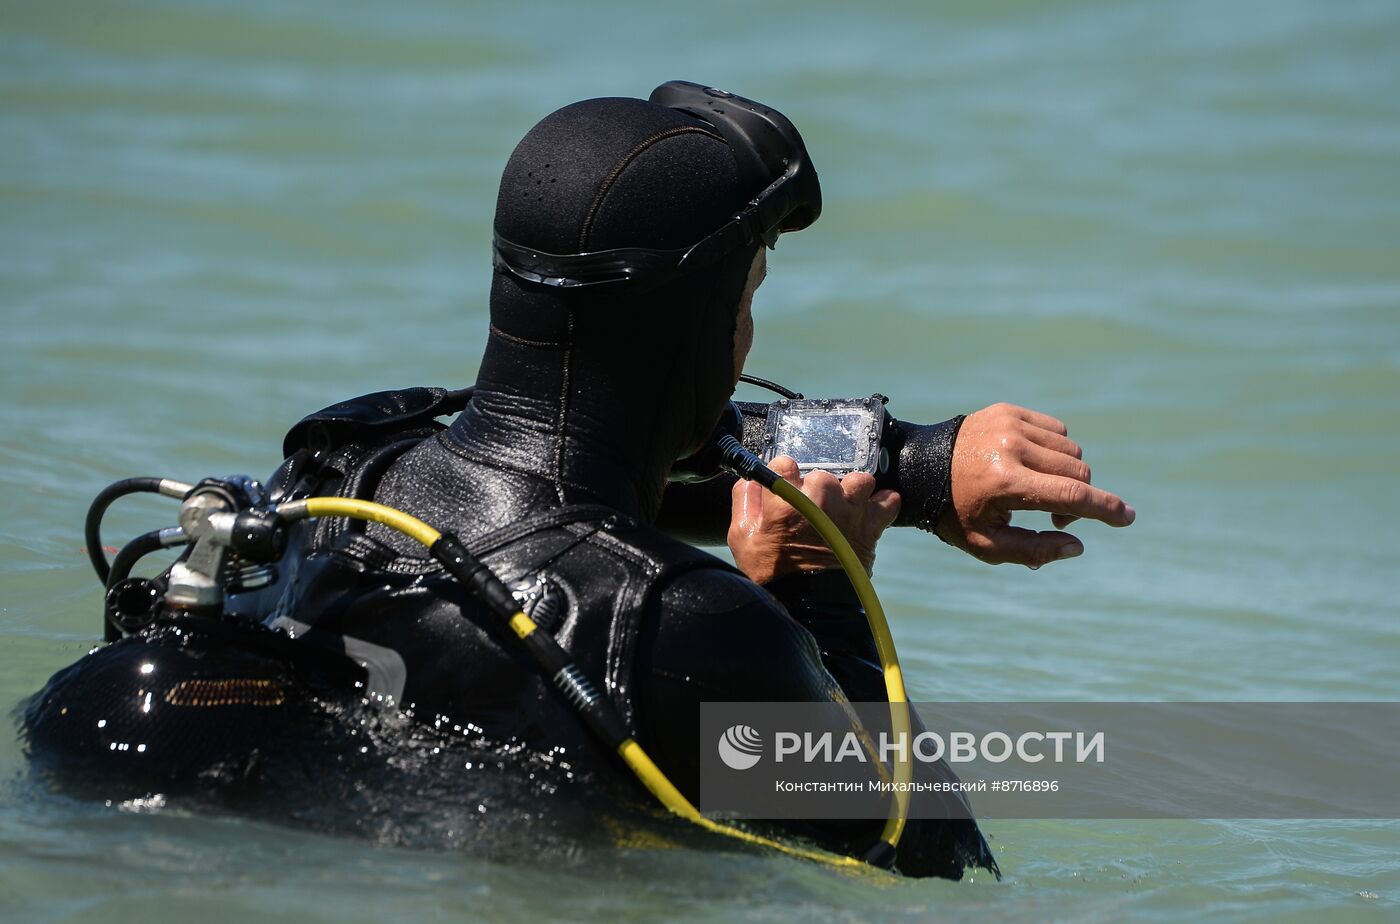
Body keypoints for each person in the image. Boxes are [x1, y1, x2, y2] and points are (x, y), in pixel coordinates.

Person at [23, 83, 1134, 879]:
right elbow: (928, 870)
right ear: (708, 316)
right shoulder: (681, 625)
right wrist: (815, 593)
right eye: (747, 292)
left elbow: (565, 459)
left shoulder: (339, 464)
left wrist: (917, 464)